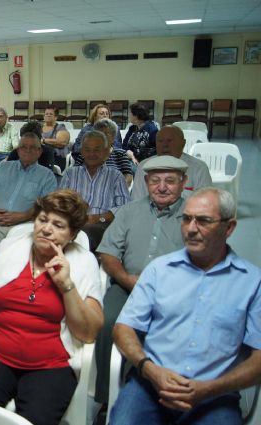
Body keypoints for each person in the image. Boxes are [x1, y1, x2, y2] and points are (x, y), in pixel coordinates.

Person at [110, 187, 261, 424]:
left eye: (203, 221)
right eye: (186, 219)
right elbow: (123, 328)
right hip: (150, 384)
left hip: (215, 395)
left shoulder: (252, 282)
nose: (191, 229)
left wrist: (209, 389)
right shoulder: (159, 270)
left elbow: (259, 358)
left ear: (229, 228)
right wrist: (149, 369)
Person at [0, 190, 104, 425]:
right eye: (42, 219)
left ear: (72, 234)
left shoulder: (82, 262)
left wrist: (66, 285)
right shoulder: (9, 248)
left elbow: (88, 332)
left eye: (58, 225)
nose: (46, 229)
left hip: (51, 366)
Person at [93, 155, 189, 423]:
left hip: (174, 291)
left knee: (169, 329)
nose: (162, 187)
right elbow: (109, 253)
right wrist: (125, 278)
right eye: (155, 181)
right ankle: (106, 395)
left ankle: (162, 394)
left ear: (183, 184)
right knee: (108, 321)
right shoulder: (129, 211)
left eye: (170, 181)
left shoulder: (193, 216)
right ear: (146, 182)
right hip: (127, 286)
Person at [0, 132, 57, 264]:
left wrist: (24, 216)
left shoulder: (47, 176)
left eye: (32, 147)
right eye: (23, 147)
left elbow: (46, 205)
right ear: (18, 150)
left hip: (25, 225)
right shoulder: (2, 168)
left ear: (39, 151)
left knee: (14, 263)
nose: (27, 150)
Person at [59, 131, 130, 251]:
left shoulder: (115, 176)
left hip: (103, 225)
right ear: (81, 151)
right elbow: (60, 202)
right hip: (73, 222)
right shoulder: (71, 174)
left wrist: (99, 218)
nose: (92, 154)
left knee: (86, 234)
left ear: (106, 152)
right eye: (87, 149)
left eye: (97, 150)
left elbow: (124, 208)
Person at [131, 125, 212, 200]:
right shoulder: (144, 166)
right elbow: (136, 200)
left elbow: (206, 201)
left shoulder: (199, 168)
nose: (165, 145)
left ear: (183, 143)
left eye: (170, 141)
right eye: (160, 141)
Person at [74, 119, 134, 187]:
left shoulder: (120, 154)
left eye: (106, 134)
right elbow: (74, 173)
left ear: (113, 137)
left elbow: (128, 176)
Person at [41, 106, 70, 171]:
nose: (48, 116)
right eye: (46, 114)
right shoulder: (39, 127)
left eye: (51, 114)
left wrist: (43, 141)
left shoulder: (60, 127)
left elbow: (62, 142)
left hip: (57, 157)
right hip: (41, 156)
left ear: (56, 117)